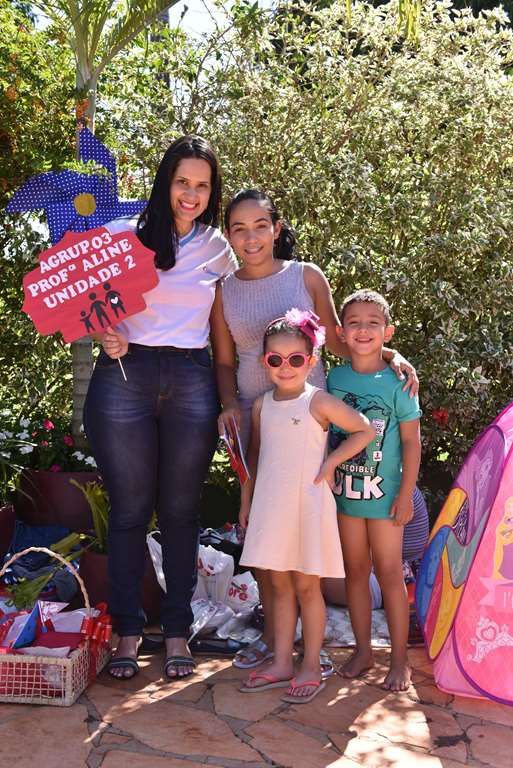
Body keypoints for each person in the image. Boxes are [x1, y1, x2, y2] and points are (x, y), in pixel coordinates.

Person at [210, 188, 419, 670]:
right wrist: (230, 405)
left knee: (309, 532)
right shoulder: (224, 290)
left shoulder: (305, 275)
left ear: (276, 228)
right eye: (238, 229)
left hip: (313, 420)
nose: (251, 237)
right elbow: (222, 361)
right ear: (229, 236)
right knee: (263, 533)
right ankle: (273, 638)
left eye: (260, 226)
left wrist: (390, 354)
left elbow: (343, 342)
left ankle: (311, 644)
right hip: (258, 419)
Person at [83, 135, 236, 680]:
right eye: (182, 182)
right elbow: (80, 307)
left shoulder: (218, 248)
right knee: (128, 511)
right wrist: (103, 333)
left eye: (202, 186)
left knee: (180, 512)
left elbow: (239, 317)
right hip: (125, 377)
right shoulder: (119, 235)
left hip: (192, 377)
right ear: (165, 182)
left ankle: (175, 632)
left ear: (212, 192)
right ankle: (128, 632)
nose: (191, 194)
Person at [237, 312, 375, 703]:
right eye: (275, 359)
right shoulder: (262, 405)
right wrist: (246, 500)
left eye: (296, 359)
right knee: (279, 586)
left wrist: (331, 463)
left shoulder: (318, 401)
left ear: (311, 361)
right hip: (271, 506)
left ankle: (311, 664)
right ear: (265, 361)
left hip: (307, 505)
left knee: (307, 587)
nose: (286, 367)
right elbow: (256, 456)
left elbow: (364, 429)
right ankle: (282, 661)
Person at [327, 289, 422, 692]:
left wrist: (405, 495)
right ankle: (363, 651)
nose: (363, 330)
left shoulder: (399, 382)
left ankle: (400, 661)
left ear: (388, 332)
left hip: (385, 499)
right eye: (354, 323)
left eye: (373, 323)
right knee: (355, 573)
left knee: (389, 573)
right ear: (341, 332)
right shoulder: (334, 378)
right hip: (346, 496)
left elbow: (412, 442)